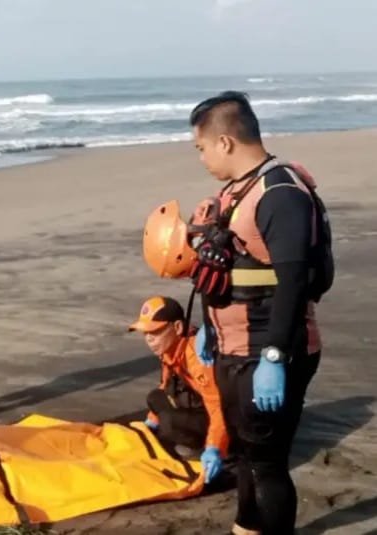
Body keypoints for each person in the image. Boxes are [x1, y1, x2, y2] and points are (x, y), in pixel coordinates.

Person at [186, 91, 331, 535]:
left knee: (267, 461)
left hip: (270, 348)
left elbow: (293, 280)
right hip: (233, 347)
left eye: (201, 147)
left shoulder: (280, 193)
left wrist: (274, 358)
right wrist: (209, 327)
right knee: (245, 452)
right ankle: (246, 529)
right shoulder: (234, 192)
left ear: (225, 142)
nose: (203, 158)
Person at [128, 296, 228, 485]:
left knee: (170, 424)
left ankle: (216, 451)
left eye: (155, 332)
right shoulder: (168, 349)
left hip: (228, 413)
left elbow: (219, 406)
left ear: (177, 328)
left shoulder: (198, 359)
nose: (149, 339)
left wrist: (215, 447)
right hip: (202, 406)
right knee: (155, 399)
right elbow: (165, 384)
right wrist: (150, 424)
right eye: (145, 333)